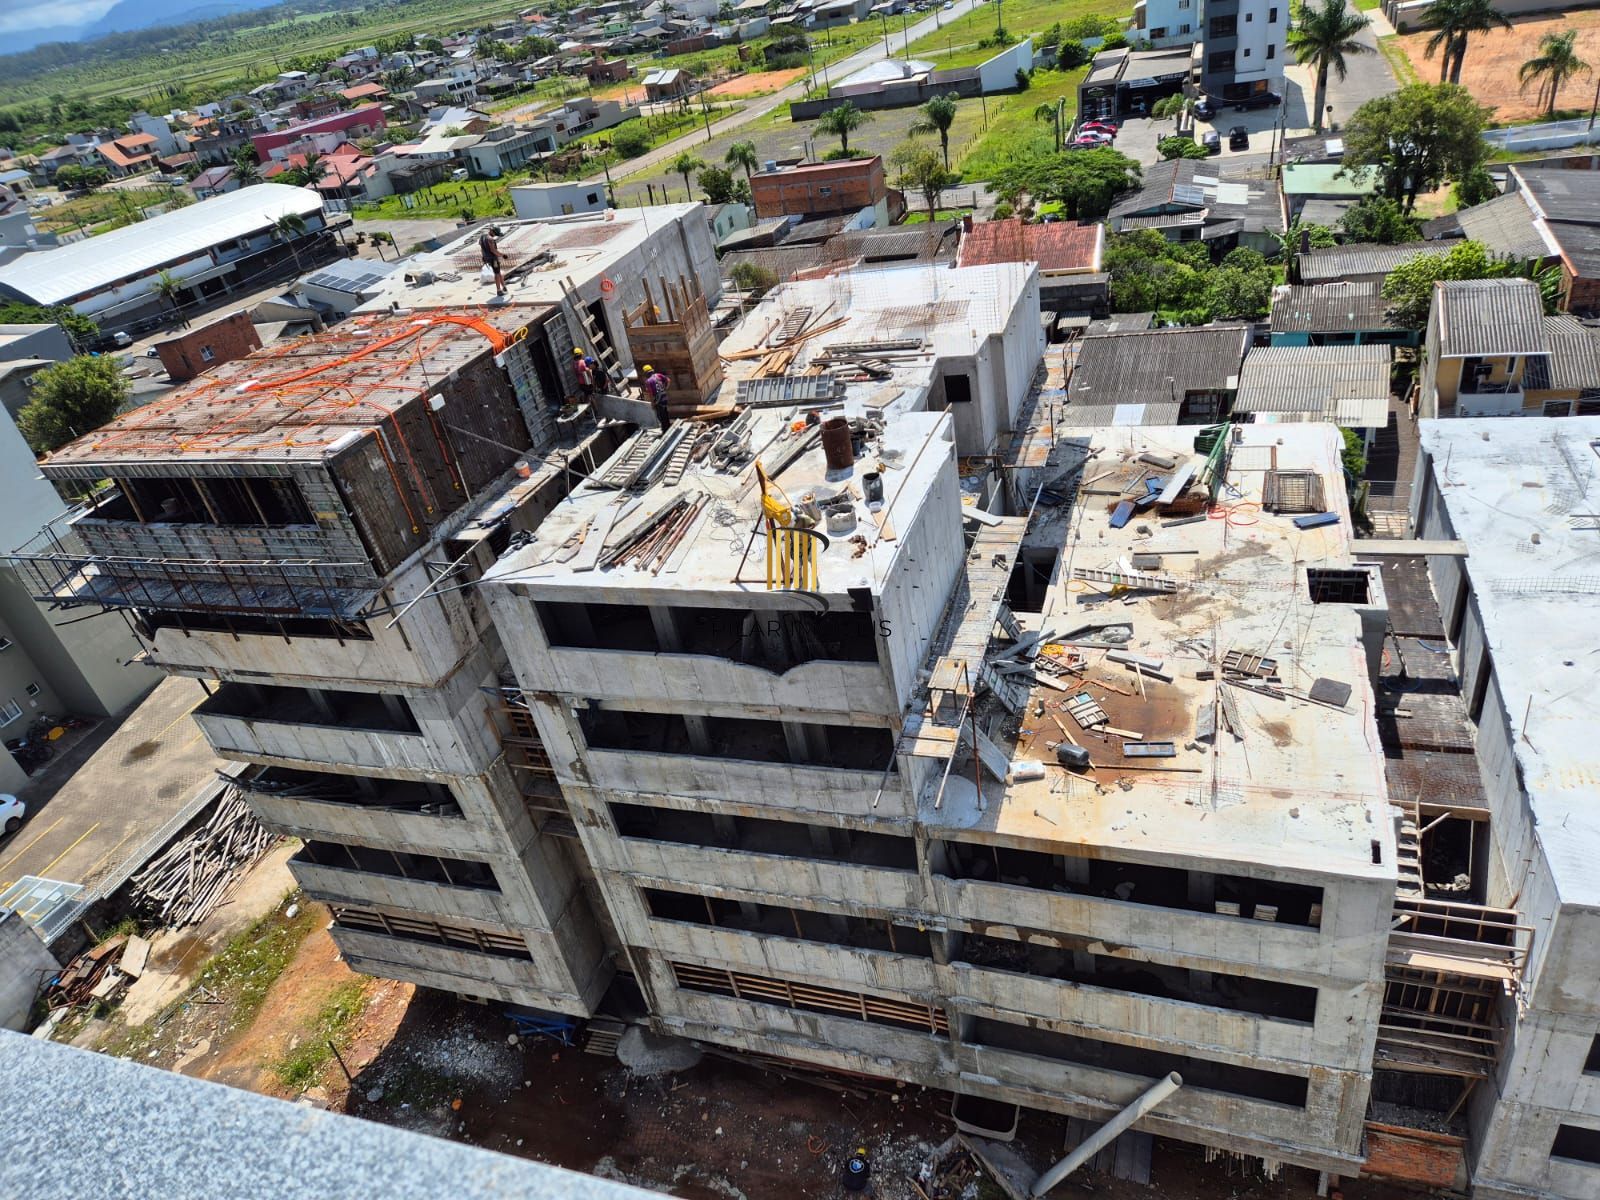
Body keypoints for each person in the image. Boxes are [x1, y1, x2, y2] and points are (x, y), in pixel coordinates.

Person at [478, 225, 505, 297]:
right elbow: (493, 250)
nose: (495, 236)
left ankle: (504, 287)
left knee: (498, 272)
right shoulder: (490, 239)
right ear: (492, 231)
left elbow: (481, 248)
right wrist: (502, 255)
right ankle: (499, 291)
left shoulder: (482, 236)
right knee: (496, 273)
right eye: (495, 234)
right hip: (493, 259)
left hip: (487, 258)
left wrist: (483, 256)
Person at [642, 363, 671, 428]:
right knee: (665, 413)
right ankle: (668, 426)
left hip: (658, 400)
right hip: (664, 396)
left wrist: (652, 404)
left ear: (646, 373)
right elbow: (668, 380)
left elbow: (651, 394)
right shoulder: (658, 375)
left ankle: (665, 430)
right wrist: (665, 388)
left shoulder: (648, 381)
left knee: (660, 416)